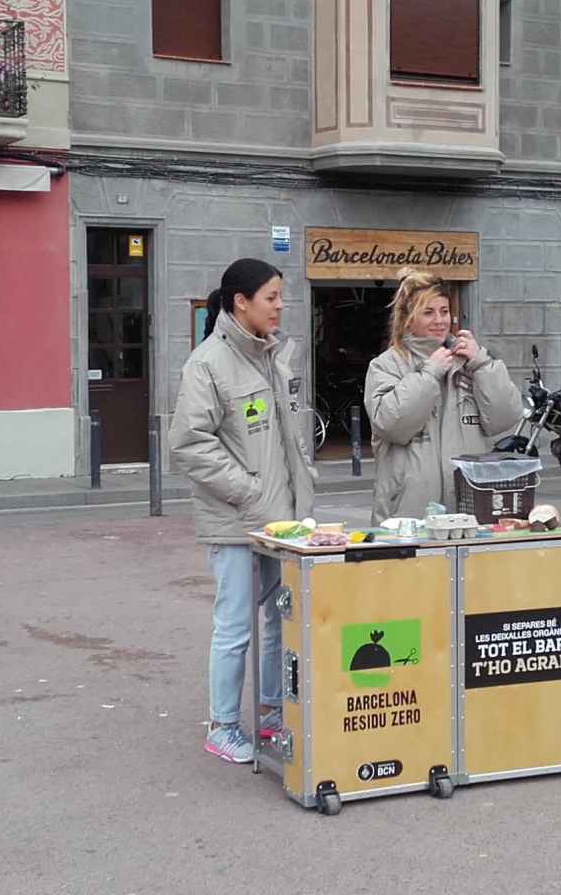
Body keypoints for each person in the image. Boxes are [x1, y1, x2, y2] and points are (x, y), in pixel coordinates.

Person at [171, 258, 315, 764]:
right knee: (235, 626)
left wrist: (296, 501)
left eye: (281, 296)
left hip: (282, 522)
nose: (280, 306)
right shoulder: (208, 363)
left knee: (279, 622)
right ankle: (224, 726)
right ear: (241, 302)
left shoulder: (272, 357)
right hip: (236, 522)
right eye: (271, 297)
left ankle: (273, 716)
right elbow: (189, 444)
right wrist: (250, 493)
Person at [364, 270, 523, 525]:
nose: (440, 320)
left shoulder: (470, 362)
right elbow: (390, 425)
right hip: (407, 518)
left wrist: (482, 363)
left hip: (468, 514)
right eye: (428, 312)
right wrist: (429, 375)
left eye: (444, 311)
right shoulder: (386, 365)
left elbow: (505, 419)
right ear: (407, 318)